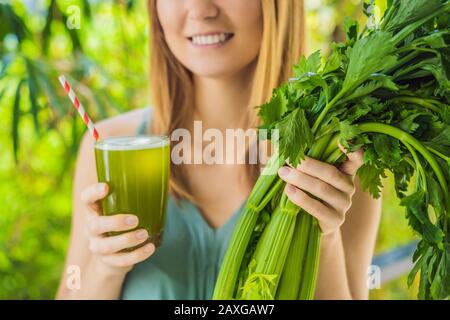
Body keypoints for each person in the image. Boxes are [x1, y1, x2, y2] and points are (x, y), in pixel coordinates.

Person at [57, 0, 381, 300]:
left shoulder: (339, 157)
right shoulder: (109, 147)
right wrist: (105, 268)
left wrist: (325, 238)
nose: (200, 10)